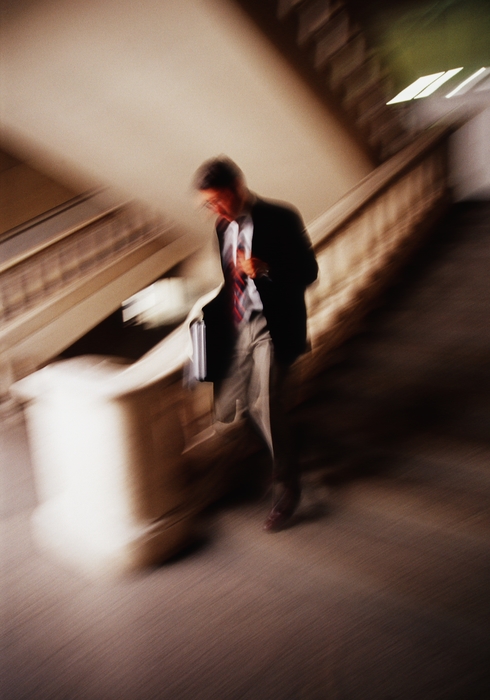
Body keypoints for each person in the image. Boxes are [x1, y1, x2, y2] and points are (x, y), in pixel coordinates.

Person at [194, 157, 318, 531]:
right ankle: (281, 450)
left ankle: (288, 488)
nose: (213, 210)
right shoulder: (221, 228)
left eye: (217, 200)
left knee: (266, 403)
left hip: (275, 325)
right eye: (207, 204)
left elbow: (309, 271)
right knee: (233, 403)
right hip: (240, 325)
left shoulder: (280, 217)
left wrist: (266, 269)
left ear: (236, 189)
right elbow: (231, 284)